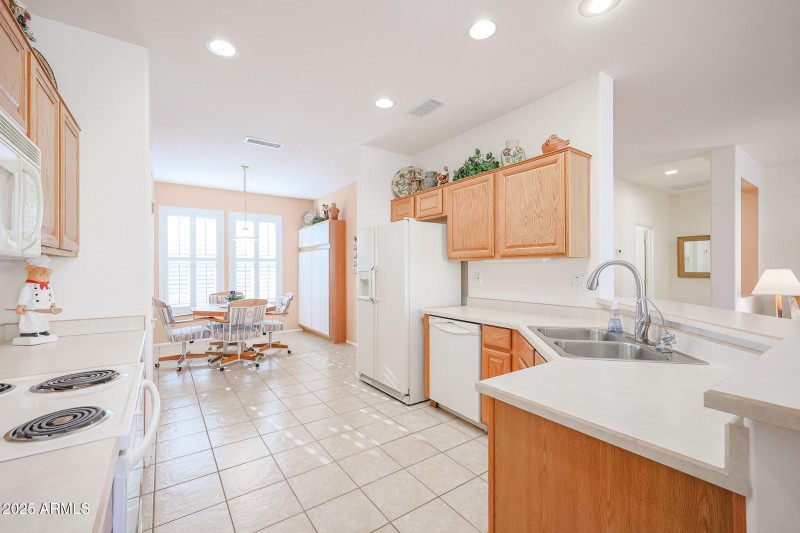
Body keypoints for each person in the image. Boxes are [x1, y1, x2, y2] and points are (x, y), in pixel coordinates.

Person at [15, 256, 58, 338]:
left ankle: (42, 329)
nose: (46, 273)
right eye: (41, 270)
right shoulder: (28, 286)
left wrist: (53, 304)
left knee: (44, 318)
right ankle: (28, 331)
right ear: (31, 270)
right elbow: (24, 297)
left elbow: (51, 295)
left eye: (46, 271)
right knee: (31, 319)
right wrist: (20, 306)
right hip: (32, 307)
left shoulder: (48, 285)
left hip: (45, 307)